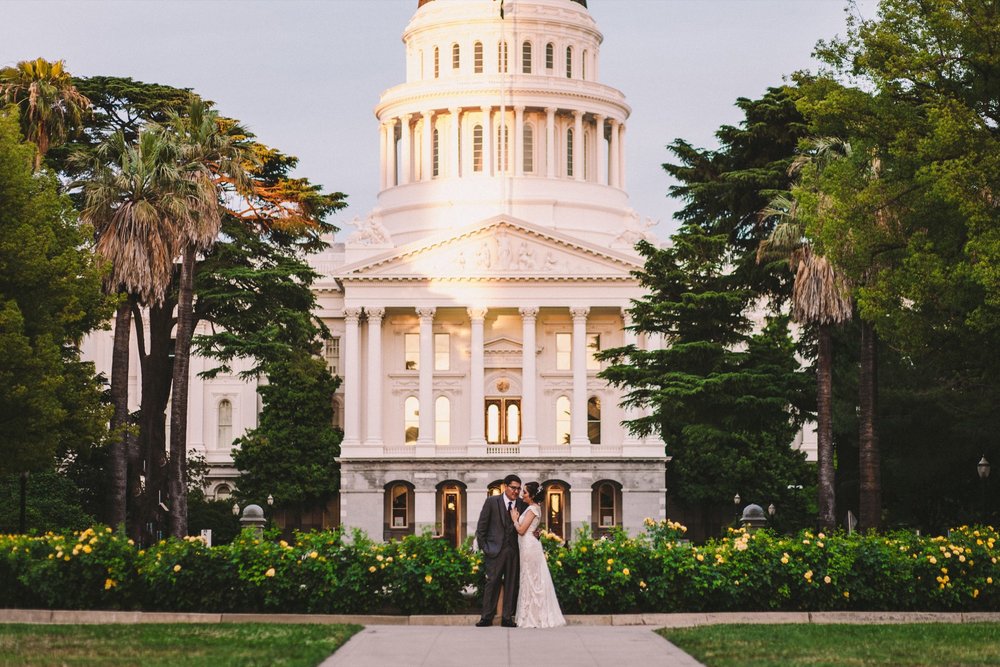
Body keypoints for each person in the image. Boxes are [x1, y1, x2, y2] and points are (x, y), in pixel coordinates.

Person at [510, 481, 566, 628]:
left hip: (529, 545)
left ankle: (533, 616)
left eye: (525, 492)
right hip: (528, 544)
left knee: (530, 578)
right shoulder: (534, 508)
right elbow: (533, 528)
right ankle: (532, 613)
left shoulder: (532, 509)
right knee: (530, 578)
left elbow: (521, 530)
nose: (522, 494)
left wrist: (515, 519)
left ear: (532, 495)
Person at [475, 474, 526, 627]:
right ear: (505, 486)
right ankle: (486, 617)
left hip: (513, 551)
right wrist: (485, 548)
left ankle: (507, 617)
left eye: (518, 489)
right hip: (494, 551)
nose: (516, 491)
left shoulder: (522, 504)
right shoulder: (491, 502)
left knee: (512, 584)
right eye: (513, 488)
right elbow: (481, 527)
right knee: (492, 583)